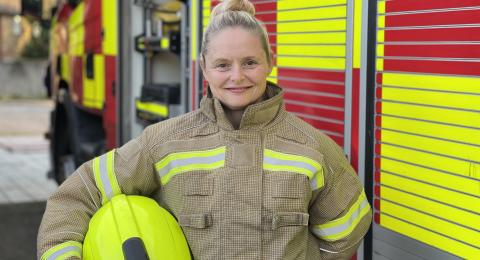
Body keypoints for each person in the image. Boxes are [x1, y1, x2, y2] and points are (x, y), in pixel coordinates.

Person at [37, 0, 372, 259]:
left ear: (271, 61)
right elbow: (77, 195)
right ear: (204, 69)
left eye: (250, 62)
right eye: (223, 65)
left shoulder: (311, 147)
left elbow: (347, 231)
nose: (237, 77)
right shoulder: (165, 142)